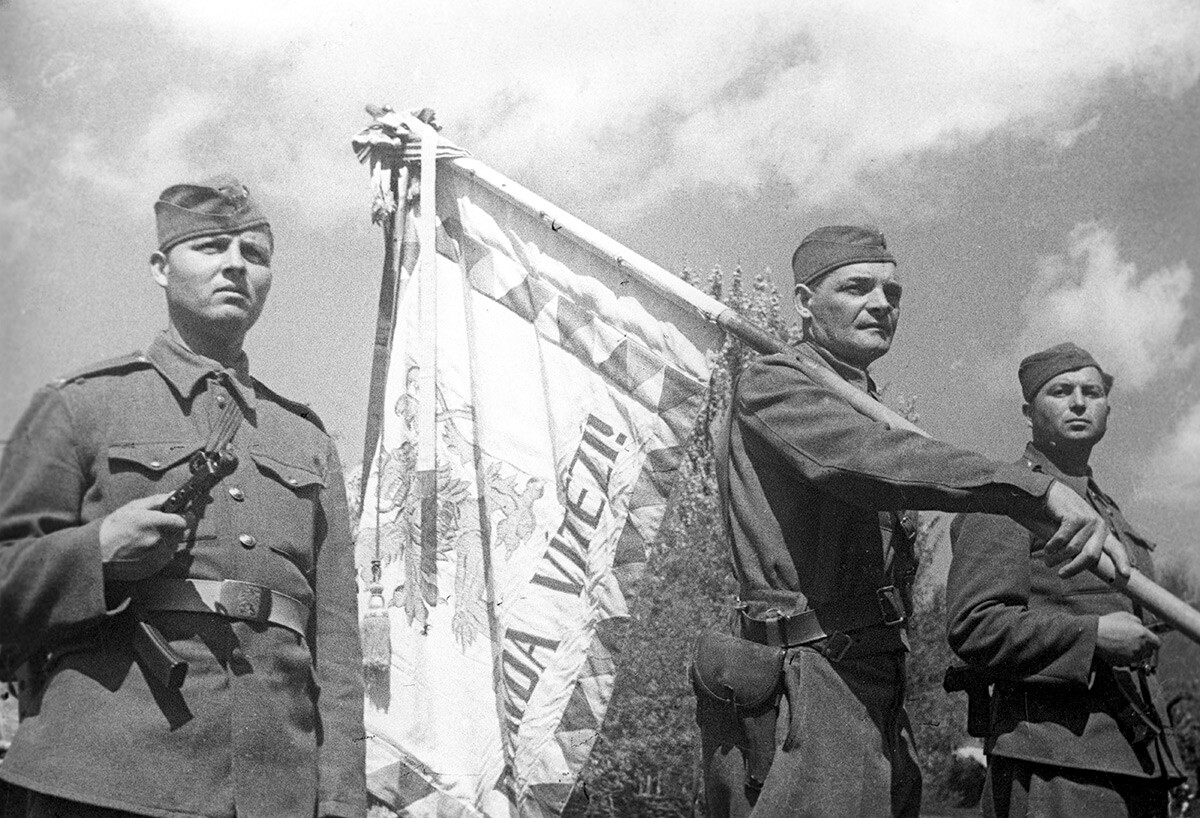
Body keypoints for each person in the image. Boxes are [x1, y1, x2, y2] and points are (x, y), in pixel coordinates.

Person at [693, 226, 1129, 818]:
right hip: (806, 680)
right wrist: (1031, 486)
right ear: (802, 302)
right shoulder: (775, 384)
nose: (880, 304)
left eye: (892, 293)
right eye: (856, 287)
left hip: (871, 682)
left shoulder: (865, 405)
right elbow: (863, 463)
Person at [0, 176, 366, 817]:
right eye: (211, 247)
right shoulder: (83, 405)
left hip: (271, 787)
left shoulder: (306, 438)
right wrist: (98, 554)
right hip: (104, 777)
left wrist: (338, 800)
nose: (235, 266)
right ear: (159, 269)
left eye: (254, 254)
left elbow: (335, 642)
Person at [945, 343, 1185, 817]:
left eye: (1091, 392)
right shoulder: (1008, 497)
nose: (1079, 402)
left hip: (1139, 760)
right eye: (1061, 391)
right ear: (1027, 411)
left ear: (1108, 410)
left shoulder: (1108, 512)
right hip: (1056, 762)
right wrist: (1094, 638)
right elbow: (975, 626)